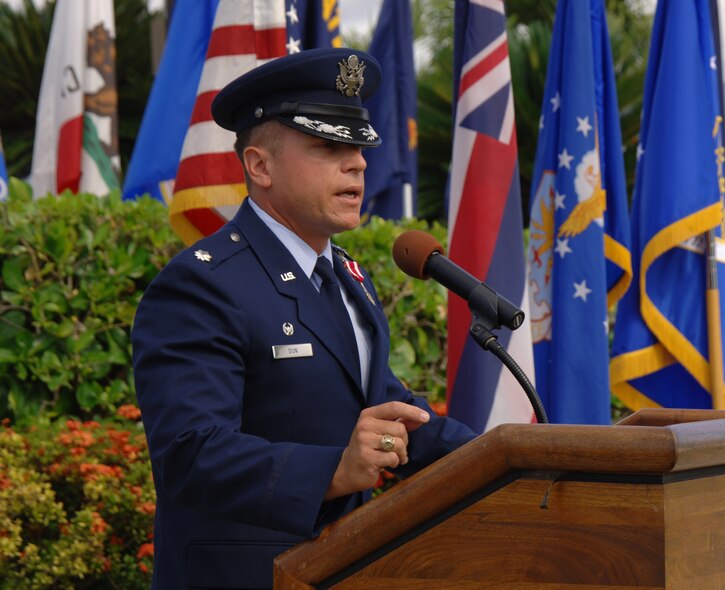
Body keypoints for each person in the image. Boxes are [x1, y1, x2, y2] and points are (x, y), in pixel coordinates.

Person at [131, 47, 477, 590]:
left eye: (359, 146)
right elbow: (191, 454)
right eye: (328, 145)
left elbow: (392, 410)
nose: (358, 162)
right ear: (260, 165)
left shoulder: (346, 278)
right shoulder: (202, 284)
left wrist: (515, 460)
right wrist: (335, 469)